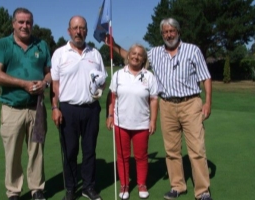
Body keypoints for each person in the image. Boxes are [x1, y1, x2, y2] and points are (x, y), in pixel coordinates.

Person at [106, 17, 213, 200]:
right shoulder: (155, 53)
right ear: (162, 34)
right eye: (165, 32)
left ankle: (202, 191)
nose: (168, 34)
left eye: (172, 31)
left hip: (190, 103)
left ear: (178, 32)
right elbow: (132, 56)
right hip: (167, 104)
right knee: (171, 150)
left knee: (196, 149)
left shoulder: (192, 50)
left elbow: (206, 77)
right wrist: (113, 45)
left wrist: (208, 101)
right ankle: (177, 186)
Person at [0, 7, 51, 200]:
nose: (25, 26)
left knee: (37, 151)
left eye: (28, 22)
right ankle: (14, 192)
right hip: (12, 107)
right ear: (13, 24)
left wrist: (45, 82)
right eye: (21, 22)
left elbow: (50, 71)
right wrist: (23, 84)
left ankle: (36, 189)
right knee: (13, 153)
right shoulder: (3, 44)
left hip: (36, 107)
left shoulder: (41, 45)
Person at [50, 15, 107, 200]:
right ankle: (70, 188)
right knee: (70, 150)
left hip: (91, 109)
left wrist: (100, 87)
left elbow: (103, 81)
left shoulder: (95, 54)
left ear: (86, 31)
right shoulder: (60, 53)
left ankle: (88, 186)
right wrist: (55, 107)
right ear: (69, 31)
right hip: (68, 109)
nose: (78, 31)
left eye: (82, 28)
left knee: (90, 150)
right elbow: (55, 85)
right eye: (75, 28)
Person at [106, 44, 158, 199]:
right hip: (121, 123)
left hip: (141, 123)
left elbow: (154, 100)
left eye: (140, 54)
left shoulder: (149, 76)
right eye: (133, 53)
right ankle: (124, 185)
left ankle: (142, 184)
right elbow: (112, 97)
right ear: (128, 56)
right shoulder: (118, 75)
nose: (136, 56)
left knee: (141, 156)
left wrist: (153, 120)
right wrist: (109, 115)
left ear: (143, 59)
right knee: (123, 156)